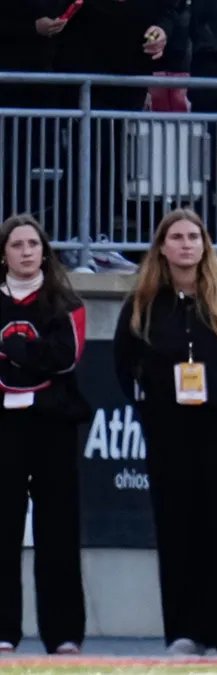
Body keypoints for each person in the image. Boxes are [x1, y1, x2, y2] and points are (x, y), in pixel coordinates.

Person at [113, 209, 217, 656]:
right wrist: (150, 408)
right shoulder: (145, 301)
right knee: (179, 528)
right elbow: (125, 364)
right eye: (176, 237)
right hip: (171, 431)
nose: (186, 244)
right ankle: (187, 632)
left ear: (205, 244)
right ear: (161, 247)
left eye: (193, 236)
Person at [0, 215, 88, 655]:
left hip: (53, 425)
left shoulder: (64, 302)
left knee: (59, 532)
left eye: (33, 243)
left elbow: (64, 358)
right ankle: (3, 631)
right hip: (4, 429)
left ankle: (64, 634)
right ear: (4, 253)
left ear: (44, 251)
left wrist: (17, 353)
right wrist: (32, 358)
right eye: (17, 244)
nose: (26, 251)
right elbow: (42, 358)